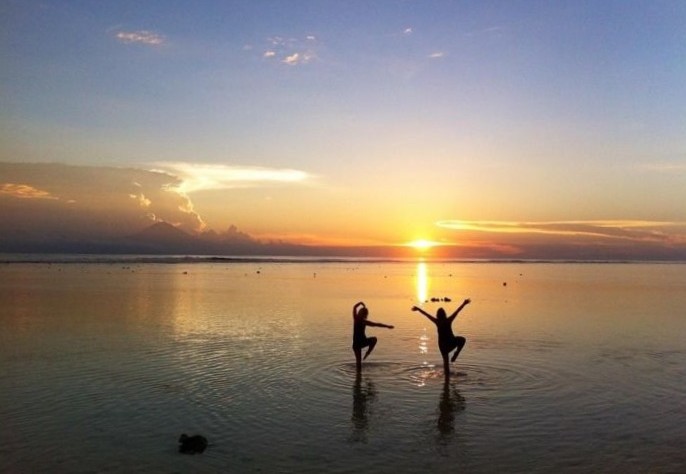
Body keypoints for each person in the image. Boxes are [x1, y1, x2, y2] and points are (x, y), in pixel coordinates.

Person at [411, 298, 470, 378]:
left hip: (442, 346)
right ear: (444, 314)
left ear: (437, 315)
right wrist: (464, 303)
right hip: (451, 342)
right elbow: (457, 311)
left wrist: (418, 309)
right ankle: (456, 354)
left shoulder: (437, 322)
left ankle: (446, 383)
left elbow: (426, 314)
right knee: (462, 340)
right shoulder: (448, 320)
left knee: (446, 366)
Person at [352, 301, 394, 372]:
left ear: (364, 315)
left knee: (374, 339)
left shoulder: (363, 321)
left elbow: (376, 324)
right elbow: (354, 307)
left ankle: (368, 353)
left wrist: (387, 326)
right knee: (358, 364)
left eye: (363, 314)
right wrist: (361, 303)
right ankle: (358, 378)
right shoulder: (356, 319)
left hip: (361, 342)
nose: (362, 315)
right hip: (357, 344)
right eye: (361, 313)